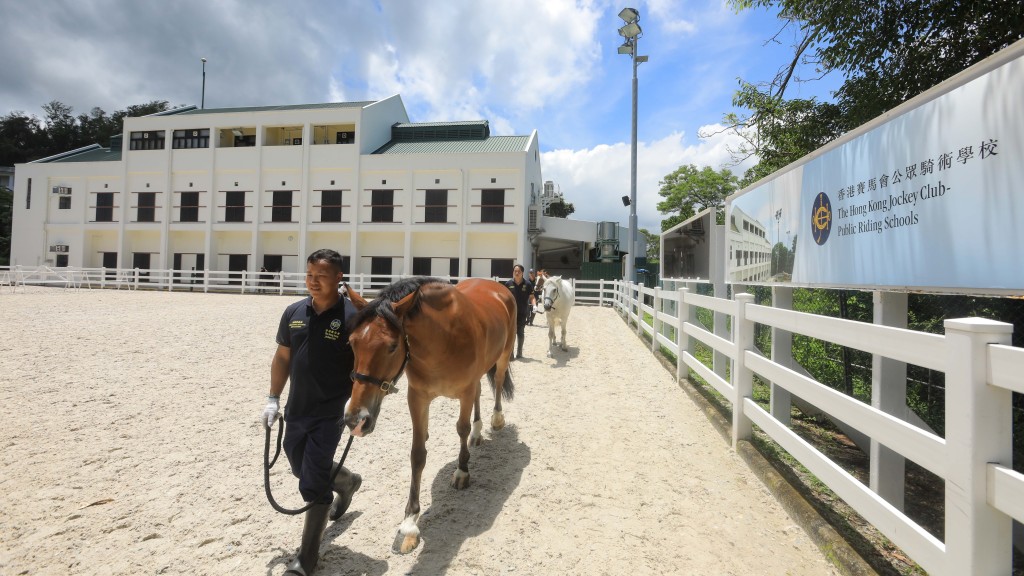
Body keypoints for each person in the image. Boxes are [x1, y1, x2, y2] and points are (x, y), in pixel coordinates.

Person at [262, 249, 361, 575]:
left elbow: (364, 368)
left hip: (330, 414)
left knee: (313, 482)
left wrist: (355, 407)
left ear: (338, 278)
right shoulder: (294, 312)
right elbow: (283, 358)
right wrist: (273, 399)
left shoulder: (350, 319)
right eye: (309, 275)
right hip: (297, 410)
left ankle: (306, 559)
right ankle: (347, 481)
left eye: (321, 276)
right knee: (299, 465)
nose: (313, 282)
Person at [504, 263, 535, 359]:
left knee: (520, 333)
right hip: (510, 313)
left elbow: (532, 297)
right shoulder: (508, 284)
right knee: (511, 334)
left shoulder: (528, 284)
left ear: (522, 273)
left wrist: (534, 305)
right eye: (515, 271)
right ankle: (511, 353)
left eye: (519, 271)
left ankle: (519, 353)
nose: (516, 273)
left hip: (522, 312)